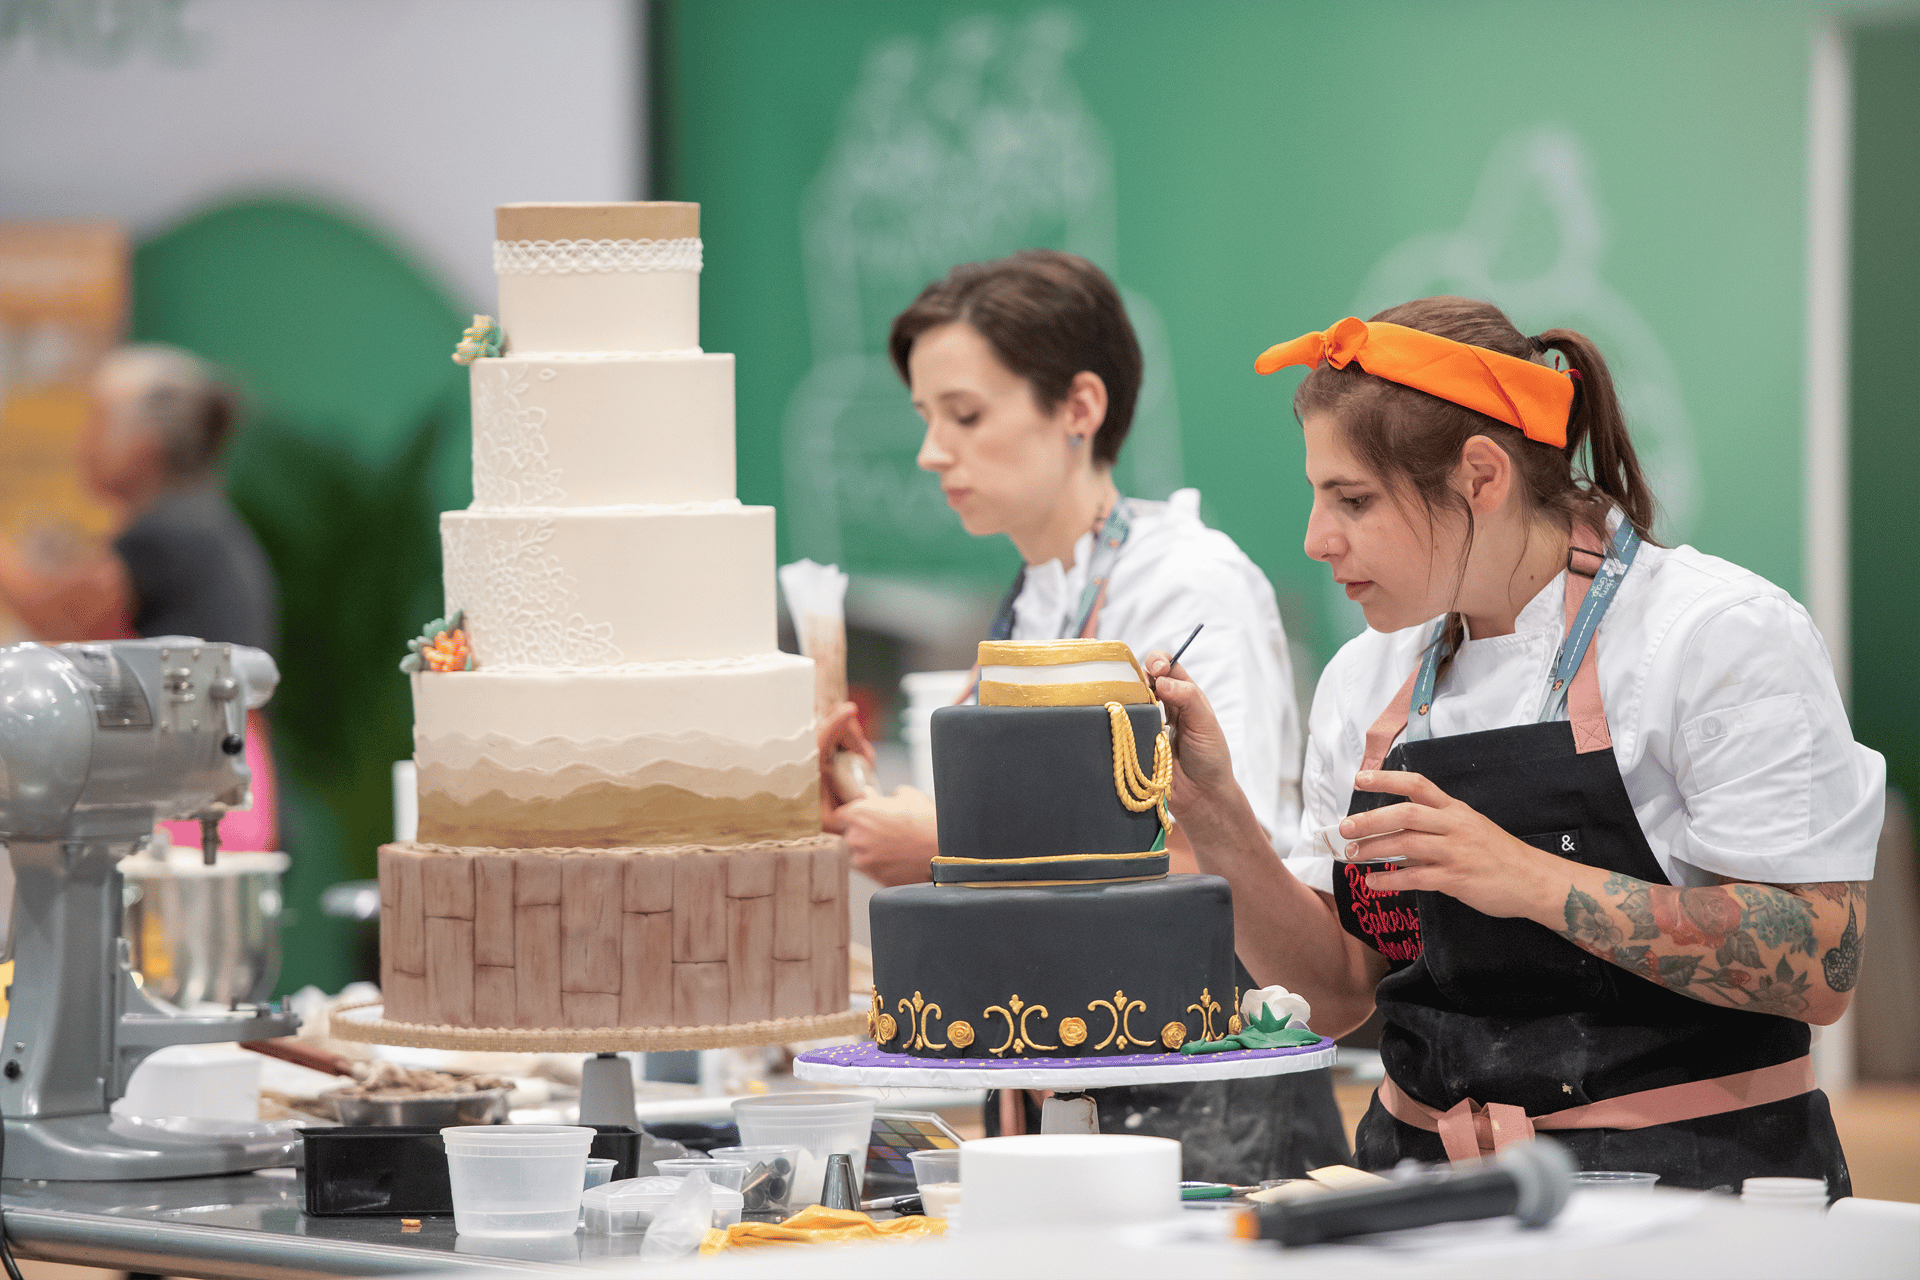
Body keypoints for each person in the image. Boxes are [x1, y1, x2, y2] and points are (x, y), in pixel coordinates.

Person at [1148, 298, 1881, 1190]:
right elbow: (1339, 993)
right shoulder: (1364, 680)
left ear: (1481, 478)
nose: (1315, 539)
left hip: (1687, 1194)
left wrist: (1527, 878)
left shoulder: (1715, 636)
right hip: (1421, 1187)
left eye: (1353, 499)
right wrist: (1213, 814)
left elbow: (1821, 959)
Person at [823, 250, 1344, 1178]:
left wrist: (942, 847)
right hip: (1060, 1082)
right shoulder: (1035, 597)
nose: (932, 452)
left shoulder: (1187, 589)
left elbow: (1225, 860)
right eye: (925, 418)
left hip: (1202, 1100)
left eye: (966, 414)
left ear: (1079, 408)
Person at [0, 344, 279, 850]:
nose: (82, 443)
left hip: (192, 799)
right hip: (209, 788)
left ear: (142, 445)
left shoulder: (169, 537)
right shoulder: (200, 524)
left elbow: (60, 610)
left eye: (98, 422)